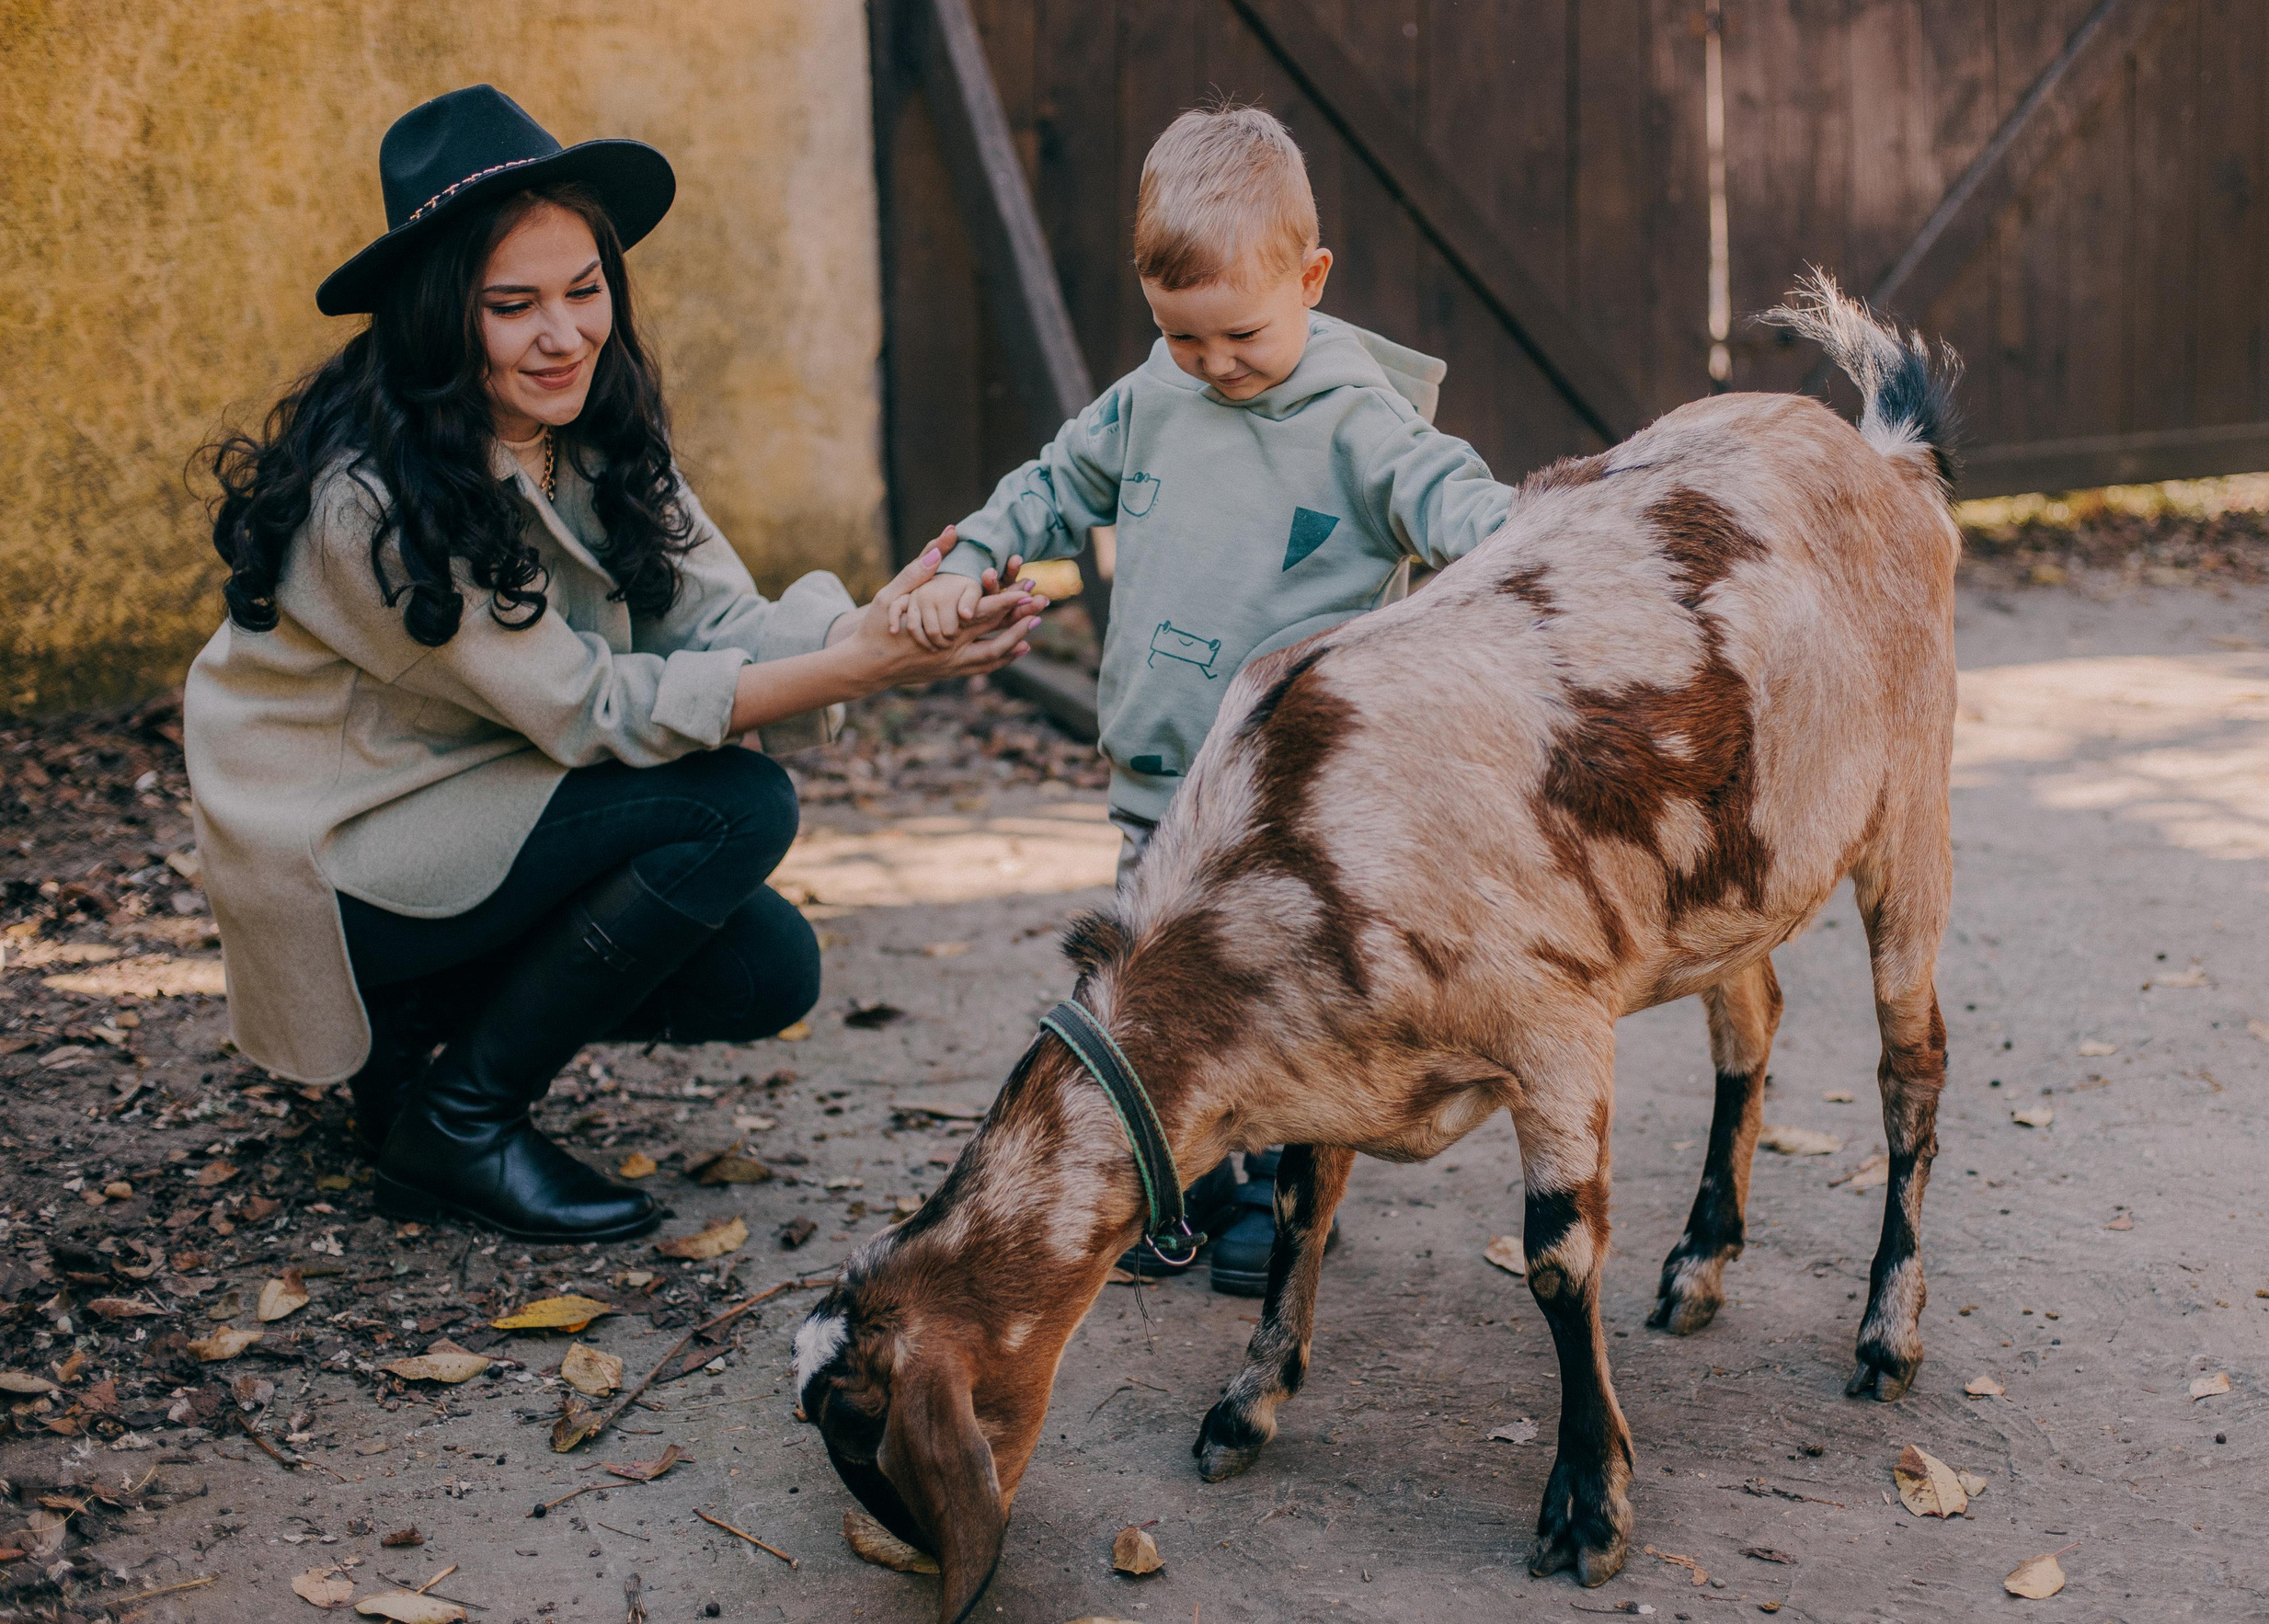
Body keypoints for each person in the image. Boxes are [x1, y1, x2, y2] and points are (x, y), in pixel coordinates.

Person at [185, 85, 1042, 1244]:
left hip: (480, 807)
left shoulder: (587, 425)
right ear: (440, 315)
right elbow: (588, 709)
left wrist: (876, 629)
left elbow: (712, 616)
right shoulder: (371, 499)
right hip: (346, 857)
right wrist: (860, 673)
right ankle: (462, 1123)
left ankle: (418, 1064)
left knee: (764, 969)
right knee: (731, 803)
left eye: (584, 291)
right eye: (514, 305)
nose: (564, 333)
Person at [893, 105, 1517, 1293]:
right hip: (1156, 774)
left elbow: (1462, 508)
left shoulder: (1359, 416)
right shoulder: (1150, 397)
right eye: (1184, 339)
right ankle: (1191, 1182)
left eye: (1241, 333)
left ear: (1312, 277)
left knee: (1285, 993)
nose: (1217, 364)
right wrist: (970, 556)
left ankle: (1282, 1196)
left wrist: (1536, 548)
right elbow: (1051, 485)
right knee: (1157, 991)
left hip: (1297, 800)